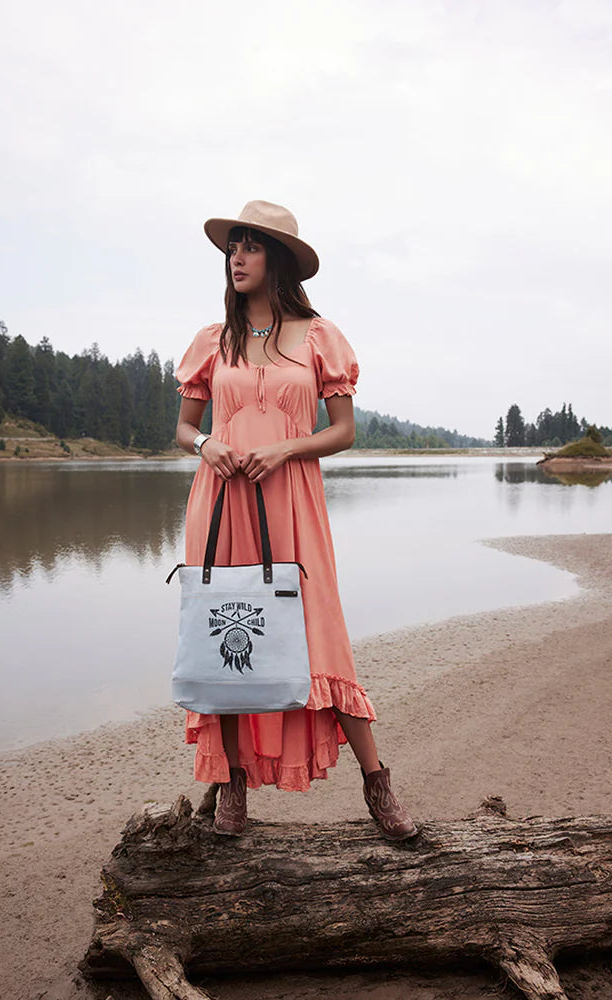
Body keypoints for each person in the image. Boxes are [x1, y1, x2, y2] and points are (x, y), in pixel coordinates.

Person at [174, 200, 417, 841]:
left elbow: (343, 432)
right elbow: (184, 428)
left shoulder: (318, 337)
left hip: (292, 500)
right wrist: (208, 445)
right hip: (222, 501)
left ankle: (377, 783)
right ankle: (231, 785)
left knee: (319, 634)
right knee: (227, 634)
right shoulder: (213, 340)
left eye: (250, 247)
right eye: (233, 247)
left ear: (277, 260)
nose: (237, 258)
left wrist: (285, 448)